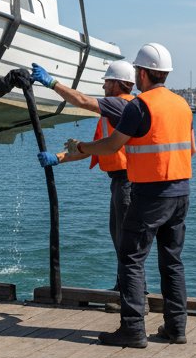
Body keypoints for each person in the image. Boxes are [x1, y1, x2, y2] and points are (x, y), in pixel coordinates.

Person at [48, 43, 195, 348]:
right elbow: (190, 148)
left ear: (142, 73)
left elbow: (112, 145)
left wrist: (82, 148)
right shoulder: (182, 105)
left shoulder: (140, 107)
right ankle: (176, 327)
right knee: (172, 261)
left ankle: (132, 329)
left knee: (131, 259)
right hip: (180, 192)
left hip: (150, 193)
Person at [30, 60, 137, 292]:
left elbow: (82, 101)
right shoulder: (115, 114)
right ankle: (125, 288)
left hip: (128, 182)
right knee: (119, 237)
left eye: (107, 82)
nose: (103, 88)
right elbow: (92, 148)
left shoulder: (121, 106)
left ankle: (133, 293)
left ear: (118, 83)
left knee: (126, 241)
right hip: (121, 182)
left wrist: (52, 83)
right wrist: (57, 157)